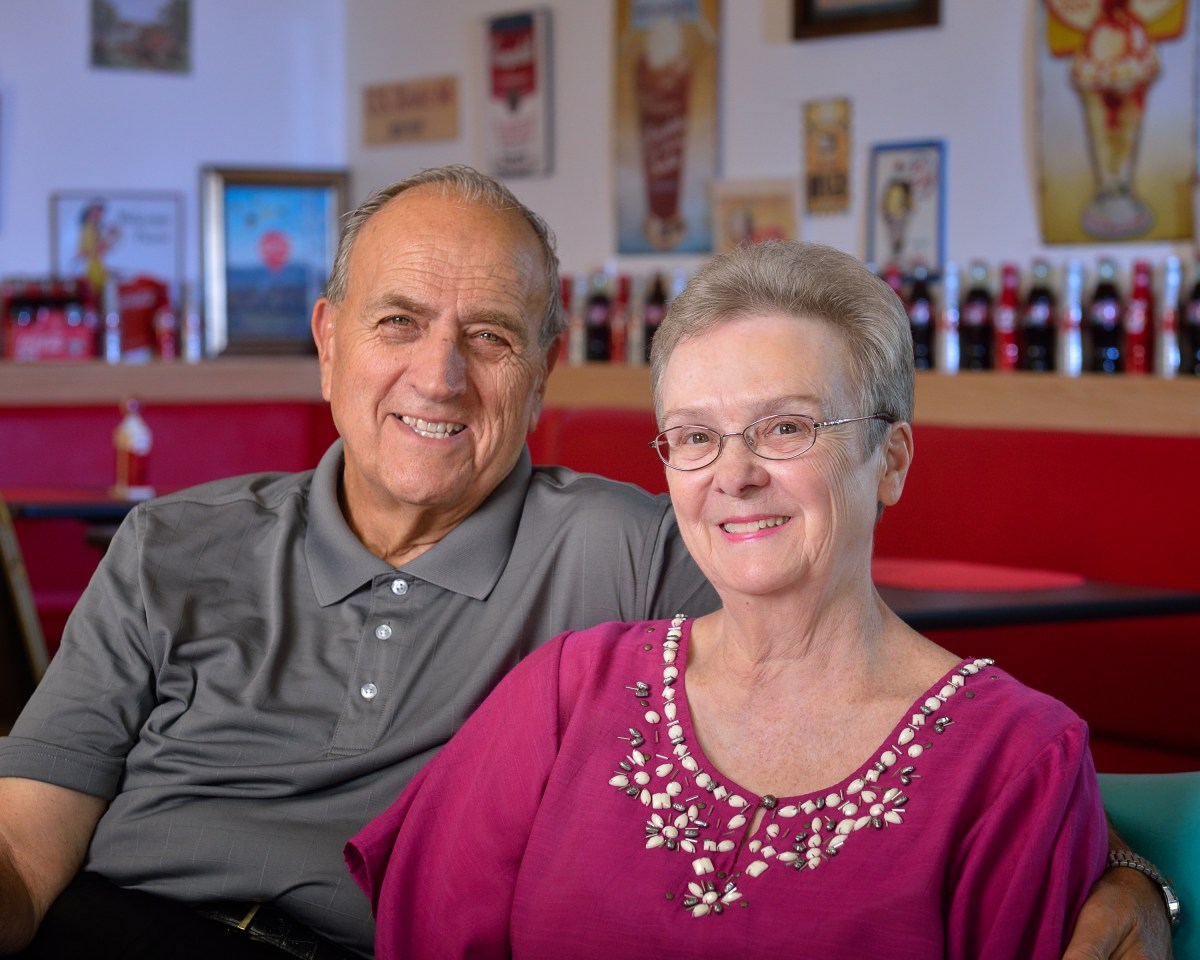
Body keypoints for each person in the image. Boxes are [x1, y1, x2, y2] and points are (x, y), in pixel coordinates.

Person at [0, 168, 1173, 959]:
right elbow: (23, 843)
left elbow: (859, 691)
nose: (442, 377)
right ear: (328, 341)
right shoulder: (166, 546)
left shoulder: (640, 549)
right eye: (399, 323)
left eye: (491, 339)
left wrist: (1124, 870)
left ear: (547, 366)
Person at [346, 240, 1119, 958]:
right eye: (693, 436)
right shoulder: (569, 691)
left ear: (891, 459)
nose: (734, 474)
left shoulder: (1018, 758)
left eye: (785, 427)